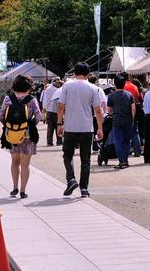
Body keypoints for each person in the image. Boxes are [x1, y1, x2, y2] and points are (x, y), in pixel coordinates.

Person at [57, 62, 104, 198]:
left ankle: (71, 179)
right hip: (86, 127)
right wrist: (99, 128)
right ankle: (84, 188)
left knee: (67, 155)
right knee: (86, 159)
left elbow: (60, 106)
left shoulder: (67, 86)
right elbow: (98, 110)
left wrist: (60, 124)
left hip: (70, 127)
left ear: (74, 73)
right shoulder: (93, 88)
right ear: (88, 74)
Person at [0, 75, 41, 199]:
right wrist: (28, 126)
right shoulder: (31, 100)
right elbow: (38, 116)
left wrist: (10, 127)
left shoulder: (8, 98)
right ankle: (23, 190)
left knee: (14, 161)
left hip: (12, 136)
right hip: (27, 136)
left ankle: (14, 188)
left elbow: (1, 115)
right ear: (29, 86)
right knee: (25, 164)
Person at [106, 77, 135, 169]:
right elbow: (133, 108)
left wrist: (112, 112)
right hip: (128, 121)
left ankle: (121, 161)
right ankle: (125, 160)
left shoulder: (111, 96)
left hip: (117, 121)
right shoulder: (129, 95)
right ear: (124, 84)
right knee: (127, 141)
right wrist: (132, 119)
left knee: (118, 142)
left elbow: (108, 110)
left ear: (115, 84)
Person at [118, 73, 143, 158]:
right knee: (135, 132)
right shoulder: (135, 86)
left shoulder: (121, 87)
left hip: (123, 112)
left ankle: (124, 152)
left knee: (122, 133)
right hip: (134, 111)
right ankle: (137, 151)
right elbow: (138, 99)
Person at [42, 79, 63, 146]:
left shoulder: (47, 89)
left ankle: (49, 142)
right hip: (57, 111)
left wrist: (44, 108)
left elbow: (44, 100)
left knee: (50, 127)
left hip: (49, 110)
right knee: (58, 126)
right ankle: (59, 141)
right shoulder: (59, 90)